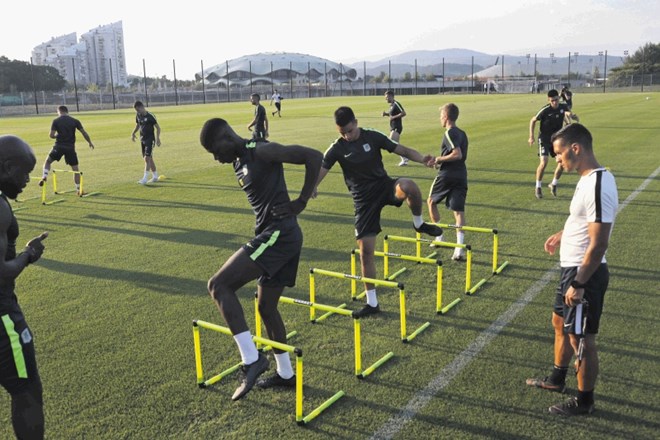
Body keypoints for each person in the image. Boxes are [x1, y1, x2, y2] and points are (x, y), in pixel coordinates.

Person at [199, 118, 322, 401]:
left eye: (216, 151)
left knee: (218, 285)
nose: (217, 159)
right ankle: (286, 375)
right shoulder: (238, 160)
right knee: (266, 307)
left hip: (280, 234)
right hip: (278, 235)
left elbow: (313, 156)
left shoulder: (261, 150)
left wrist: (300, 202)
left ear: (227, 137)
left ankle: (252, 360)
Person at [313, 106, 443, 317]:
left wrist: (423, 159)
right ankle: (372, 303)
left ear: (355, 122)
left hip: (384, 187)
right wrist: (312, 186)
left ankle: (419, 224)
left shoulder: (372, 136)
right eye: (342, 132)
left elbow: (404, 150)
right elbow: (322, 168)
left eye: (349, 130)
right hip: (363, 202)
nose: (346, 135)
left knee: (410, 186)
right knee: (366, 253)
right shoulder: (337, 147)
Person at [526, 123, 618, 416]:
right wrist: (563, 234)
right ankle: (556, 378)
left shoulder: (599, 183)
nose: (557, 159)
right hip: (572, 268)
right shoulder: (585, 178)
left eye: (559, 153)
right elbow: (584, 221)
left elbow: (600, 242)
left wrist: (578, 284)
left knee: (581, 338)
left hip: (584, 274)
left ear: (575, 148)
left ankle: (584, 400)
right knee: (559, 322)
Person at [0, 135, 49, 439]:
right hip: (3, 319)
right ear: (6, 167)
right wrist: (28, 255)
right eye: (24, 172)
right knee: (27, 390)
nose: (29, 180)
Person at [427, 103, 469, 260]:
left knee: (431, 201)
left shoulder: (449, 133)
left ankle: (439, 237)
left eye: (440, 116)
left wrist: (438, 159)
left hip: (448, 174)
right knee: (458, 211)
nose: (440, 119)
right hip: (461, 174)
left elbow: (456, 154)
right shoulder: (462, 133)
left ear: (446, 117)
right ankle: (459, 249)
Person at [528, 89, 577, 199]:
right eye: (552, 101)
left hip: (556, 140)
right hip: (544, 139)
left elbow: (567, 111)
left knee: (562, 162)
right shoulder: (545, 110)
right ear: (549, 100)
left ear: (558, 98)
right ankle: (538, 187)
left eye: (556, 100)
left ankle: (553, 184)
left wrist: (572, 115)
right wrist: (531, 136)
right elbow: (533, 120)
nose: (554, 102)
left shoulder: (562, 107)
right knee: (544, 162)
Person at [39, 105, 94, 196]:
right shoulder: (75, 121)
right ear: (67, 111)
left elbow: (51, 135)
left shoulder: (56, 121)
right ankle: (78, 190)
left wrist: (57, 136)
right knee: (75, 169)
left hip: (59, 146)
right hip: (70, 148)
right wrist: (90, 142)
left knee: (48, 161)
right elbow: (83, 132)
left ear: (59, 111)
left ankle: (44, 176)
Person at [131, 101, 161, 185]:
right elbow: (138, 125)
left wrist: (158, 138)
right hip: (142, 139)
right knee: (147, 158)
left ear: (142, 107)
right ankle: (155, 176)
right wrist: (133, 133)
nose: (137, 112)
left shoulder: (150, 116)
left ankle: (144, 178)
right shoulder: (138, 115)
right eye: (136, 110)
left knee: (147, 158)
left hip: (150, 139)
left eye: (138, 110)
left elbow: (158, 128)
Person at [382, 90, 408, 166]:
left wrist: (394, 117)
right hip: (393, 127)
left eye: (387, 97)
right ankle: (405, 157)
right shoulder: (391, 105)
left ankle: (405, 157)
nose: (386, 99)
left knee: (392, 144)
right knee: (395, 145)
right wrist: (386, 114)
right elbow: (391, 115)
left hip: (397, 126)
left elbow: (403, 113)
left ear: (391, 96)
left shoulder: (396, 104)